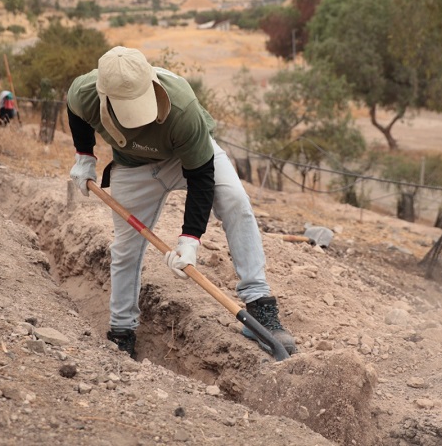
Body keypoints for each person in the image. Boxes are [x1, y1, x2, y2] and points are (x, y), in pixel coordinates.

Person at [67, 46, 296, 358]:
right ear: (104, 96)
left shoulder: (182, 106)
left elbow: (202, 176)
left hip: (189, 157)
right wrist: (84, 157)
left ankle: (260, 305)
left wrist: (190, 240)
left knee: (235, 201)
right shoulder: (86, 92)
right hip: (133, 168)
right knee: (125, 248)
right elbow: (74, 109)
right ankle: (122, 332)